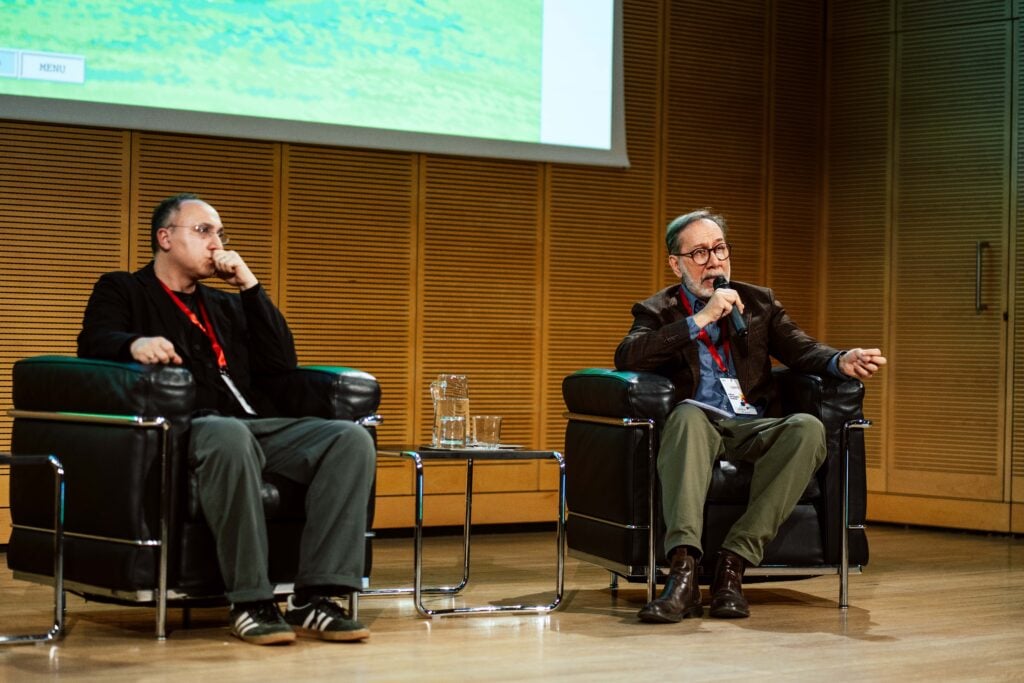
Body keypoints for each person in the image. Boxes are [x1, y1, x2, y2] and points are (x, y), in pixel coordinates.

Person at [77, 193, 376, 645]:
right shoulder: (124, 289)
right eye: (203, 231)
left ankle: (316, 597)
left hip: (254, 424)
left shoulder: (225, 305)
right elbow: (95, 340)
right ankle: (251, 601)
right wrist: (132, 345)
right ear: (165, 238)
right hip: (186, 429)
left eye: (220, 233)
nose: (216, 243)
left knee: (348, 440)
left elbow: (281, 363)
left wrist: (250, 286)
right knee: (228, 433)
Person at [615, 209, 885, 624]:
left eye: (719, 249)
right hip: (698, 421)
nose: (714, 262)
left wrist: (840, 359)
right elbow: (628, 356)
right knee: (686, 417)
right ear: (676, 263)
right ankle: (683, 574)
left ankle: (732, 565)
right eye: (700, 253)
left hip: (750, 423)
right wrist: (700, 319)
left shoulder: (757, 302)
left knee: (807, 429)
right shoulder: (658, 309)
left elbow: (800, 348)